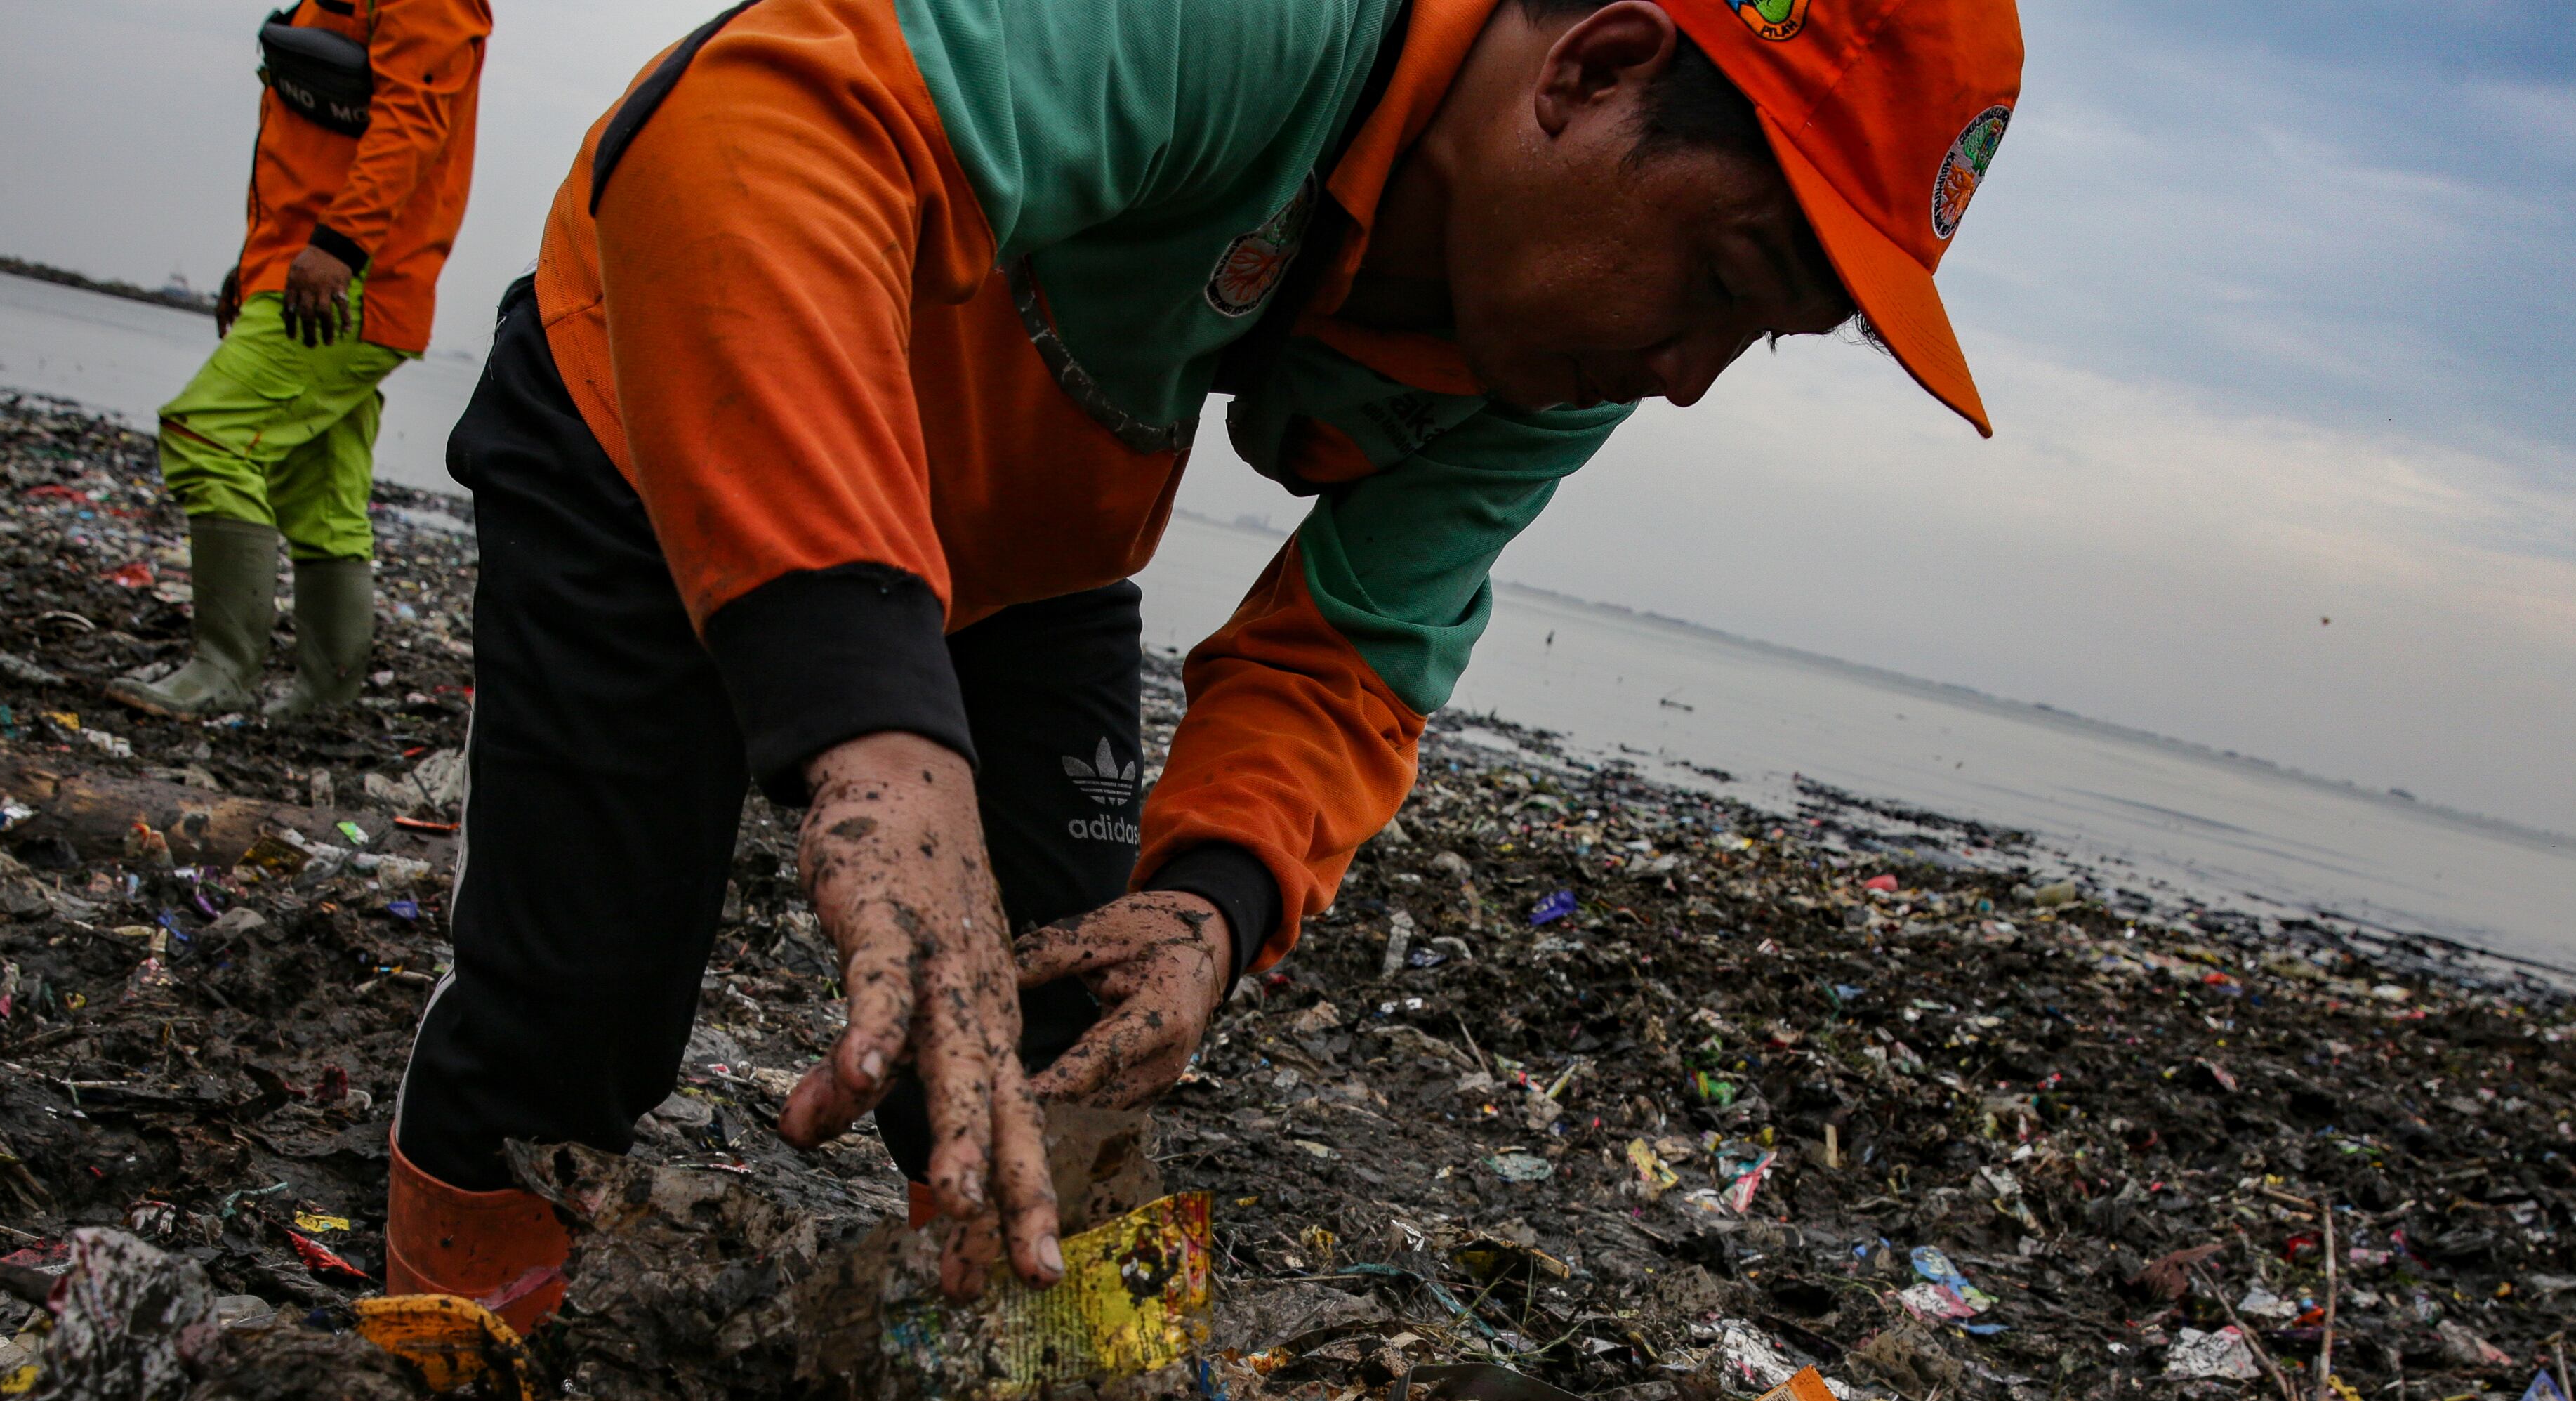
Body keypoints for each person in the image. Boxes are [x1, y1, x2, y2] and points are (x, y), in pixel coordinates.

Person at [387, 0, 2021, 1327]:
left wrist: (1221, 903)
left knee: (1066, 1039)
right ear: (1596, 66)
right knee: (574, 1021)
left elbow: (1359, 649)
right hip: (673, 393)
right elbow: (749, 134)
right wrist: (875, 726)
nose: (1684, 376)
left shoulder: (1558, 352)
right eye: (1721, 282)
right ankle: (442, 1376)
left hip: (1029, 527)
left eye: (1760, 338)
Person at [116, 1, 490, 724]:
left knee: (206, 436)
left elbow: (413, 119)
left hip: (349, 283)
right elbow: (311, 149)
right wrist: (257, 267)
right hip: (306, 271)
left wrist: (337, 250)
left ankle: (221, 671)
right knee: (322, 492)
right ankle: (325, 696)